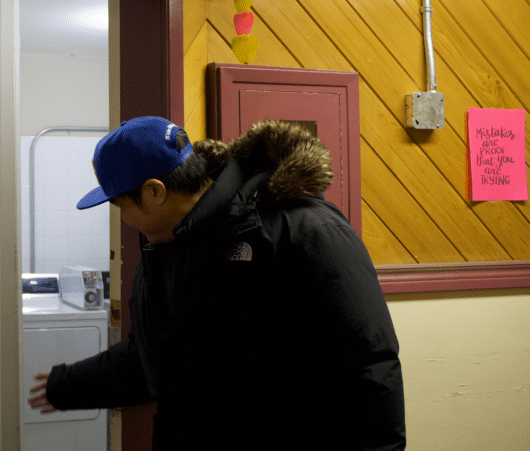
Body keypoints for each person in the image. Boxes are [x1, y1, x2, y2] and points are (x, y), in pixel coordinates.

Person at [28, 116, 406, 450]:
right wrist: (67, 384)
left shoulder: (303, 229)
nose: (124, 219)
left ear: (154, 192)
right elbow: (156, 360)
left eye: (122, 206)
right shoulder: (160, 254)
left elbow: (368, 364)